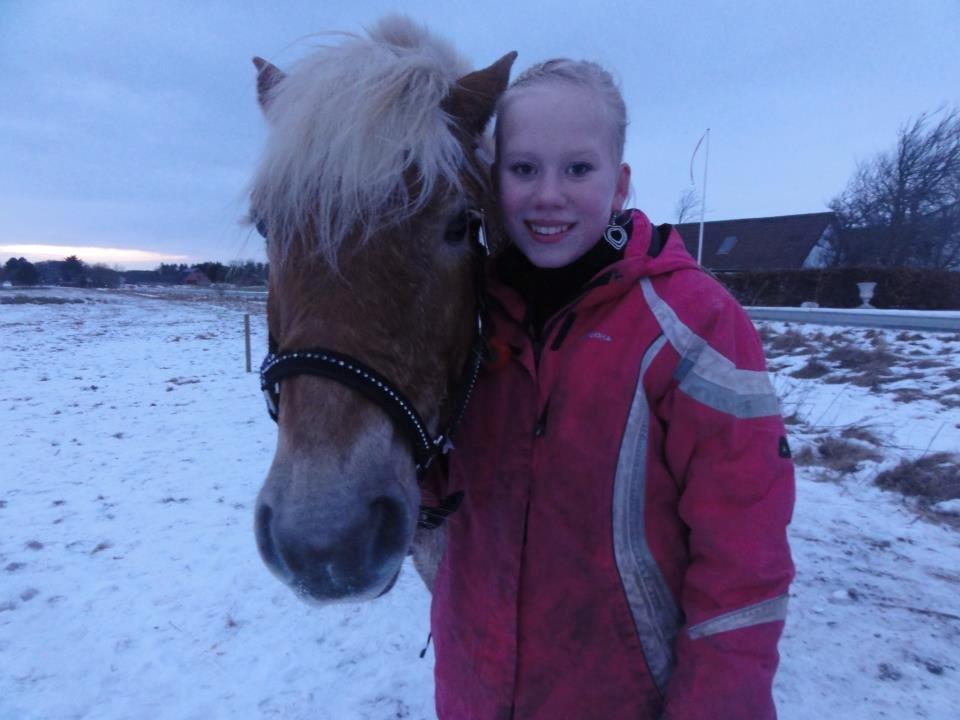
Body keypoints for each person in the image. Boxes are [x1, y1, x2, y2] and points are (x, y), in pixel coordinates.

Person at [426, 58, 795, 720]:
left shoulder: (695, 325)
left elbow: (744, 555)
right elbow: (443, 485)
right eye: (523, 168)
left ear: (619, 182)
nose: (548, 194)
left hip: (625, 698)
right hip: (474, 689)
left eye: (578, 169)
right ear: (492, 181)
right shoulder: (469, 315)